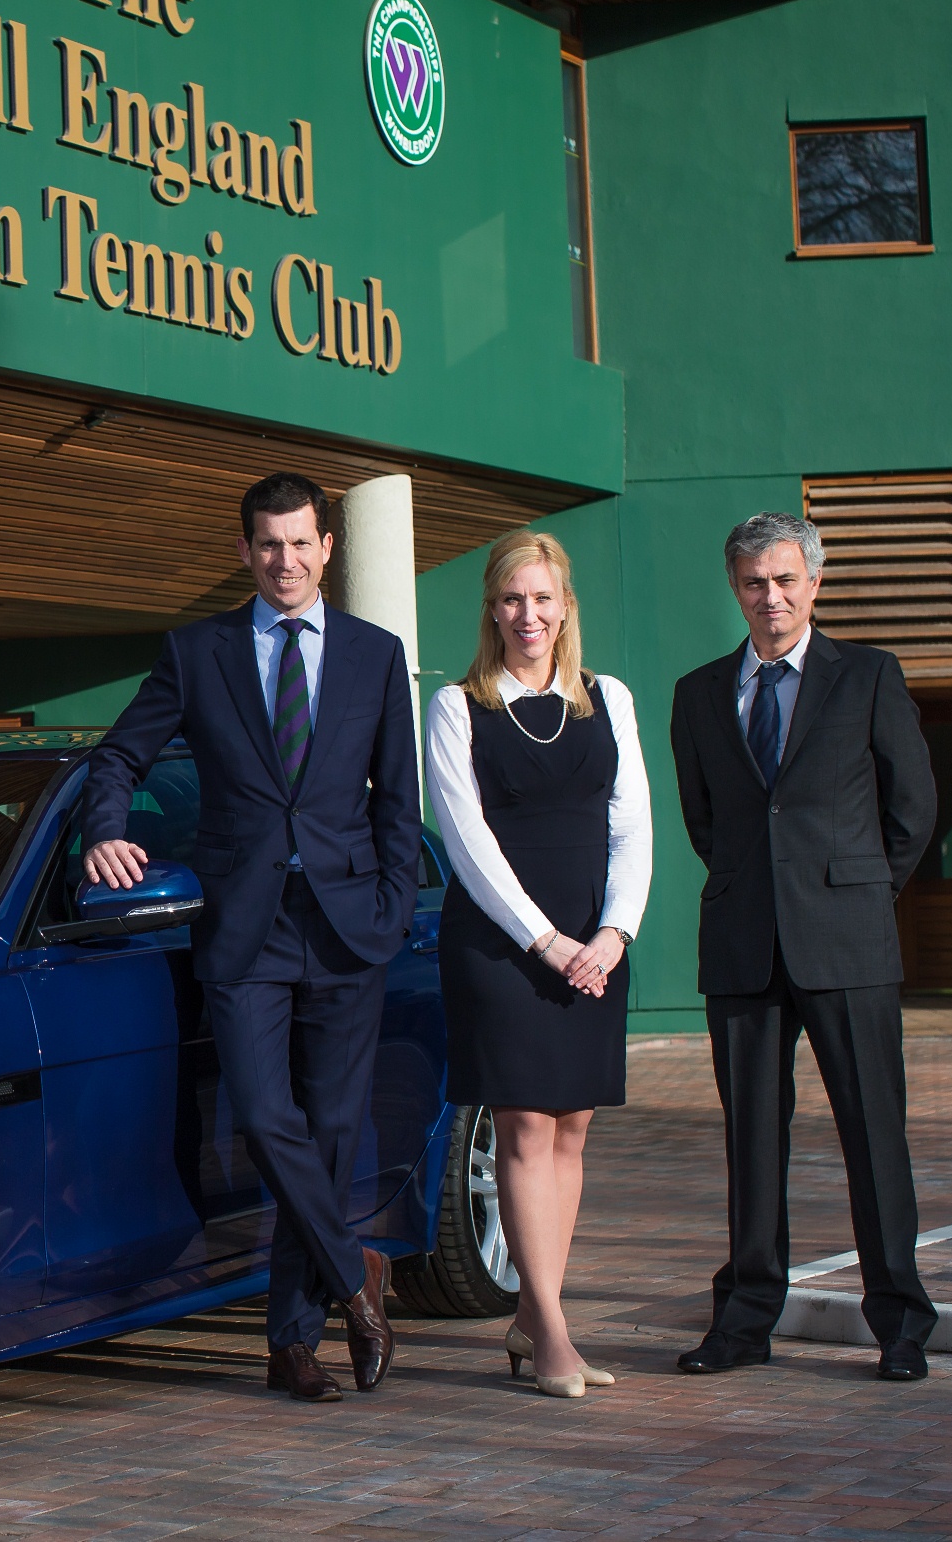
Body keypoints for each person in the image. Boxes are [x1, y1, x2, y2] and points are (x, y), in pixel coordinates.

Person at [79, 472, 422, 1403]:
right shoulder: (198, 652)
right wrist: (106, 829)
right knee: (268, 1122)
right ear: (244, 550)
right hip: (245, 929)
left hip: (348, 927)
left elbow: (399, 800)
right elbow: (119, 755)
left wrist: (393, 906)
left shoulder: (376, 654)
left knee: (334, 1135)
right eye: (269, 543)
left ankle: (291, 1344)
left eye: (301, 542)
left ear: (328, 548)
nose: (286, 560)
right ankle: (357, 1275)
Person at [670, 511, 937, 1382]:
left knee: (873, 1135)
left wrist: (856, 894)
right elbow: (707, 820)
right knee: (751, 1142)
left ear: (814, 584)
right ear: (734, 588)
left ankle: (900, 1323)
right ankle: (745, 1322)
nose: (771, 597)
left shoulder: (869, 675)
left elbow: (912, 808)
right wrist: (762, 890)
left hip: (847, 942)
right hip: (743, 944)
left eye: (786, 580)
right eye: (754, 583)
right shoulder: (699, 693)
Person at [424, 530, 650, 1398]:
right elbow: (467, 844)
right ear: (491, 609)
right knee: (523, 1126)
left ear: (565, 608)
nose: (529, 614)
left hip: (595, 946)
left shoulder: (609, 699)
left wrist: (614, 933)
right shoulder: (457, 707)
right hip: (502, 947)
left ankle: (533, 1316)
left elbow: (632, 825)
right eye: (512, 599)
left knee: (572, 1128)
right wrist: (545, 940)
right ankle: (551, 1331)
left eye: (543, 598)